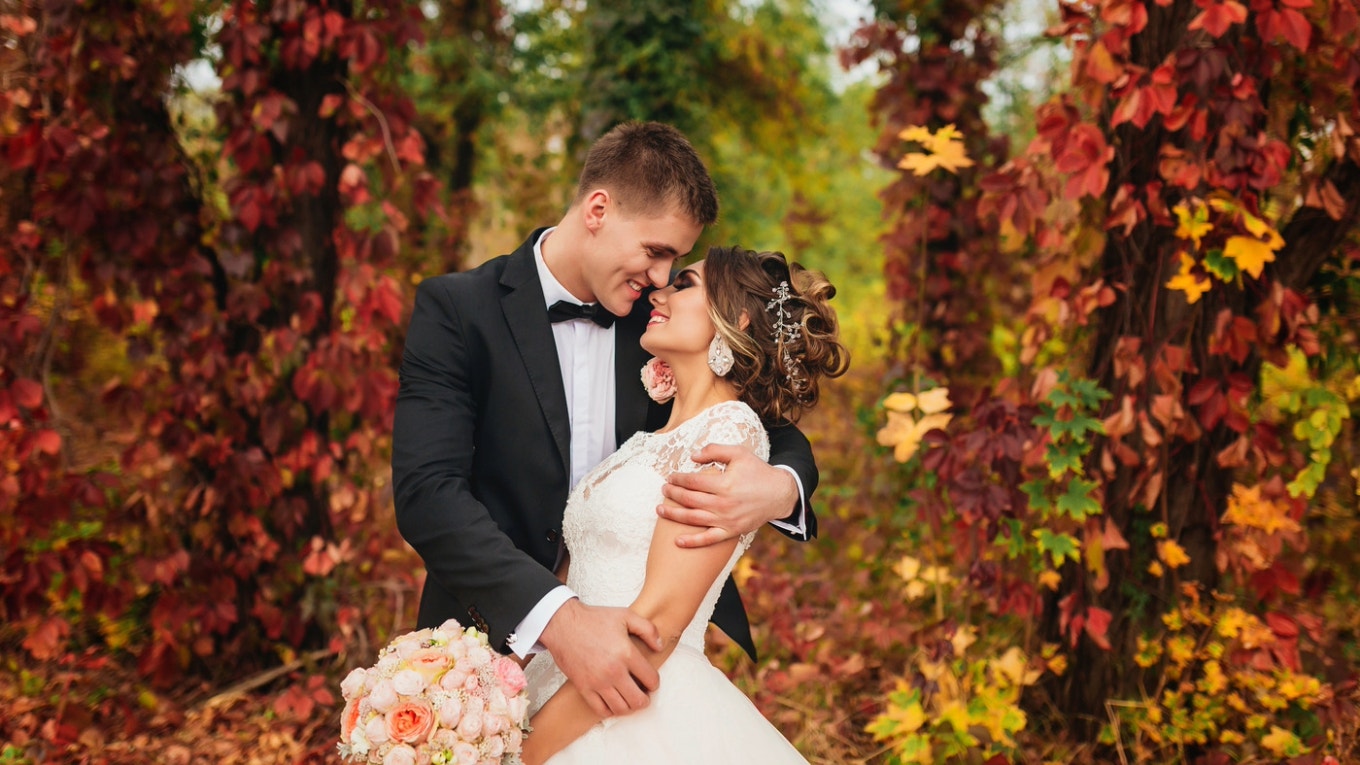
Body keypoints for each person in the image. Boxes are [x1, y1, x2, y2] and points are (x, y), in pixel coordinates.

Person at [391, 122, 822, 725]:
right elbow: (427, 496)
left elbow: (764, 424)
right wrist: (560, 621)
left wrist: (781, 489)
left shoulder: (658, 327)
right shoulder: (459, 312)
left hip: (643, 670)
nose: (663, 277)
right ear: (598, 208)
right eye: (656, 251)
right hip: (484, 652)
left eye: (675, 261)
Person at [519, 245, 849, 764]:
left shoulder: (728, 433)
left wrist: (527, 750)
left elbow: (656, 630)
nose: (660, 290)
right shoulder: (653, 436)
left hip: (627, 693)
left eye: (684, 284)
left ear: (734, 317)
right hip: (566, 670)